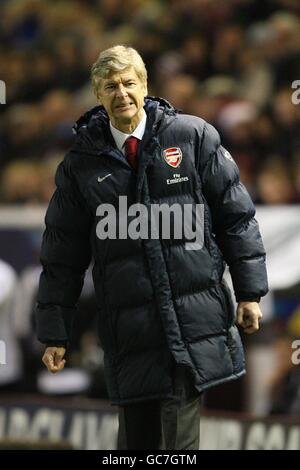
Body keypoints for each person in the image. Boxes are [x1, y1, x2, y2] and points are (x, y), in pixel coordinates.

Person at [35, 45, 268, 450]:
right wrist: (56, 333)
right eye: (110, 86)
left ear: (145, 85)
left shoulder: (194, 137)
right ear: (98, 94)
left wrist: (249, 293)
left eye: (129, 83)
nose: (121, 93)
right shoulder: (79, 165)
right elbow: (62, 255)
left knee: (179, 443)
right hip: (128, 332)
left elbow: (236, 217)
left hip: (191, 322)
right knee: (135, 445)